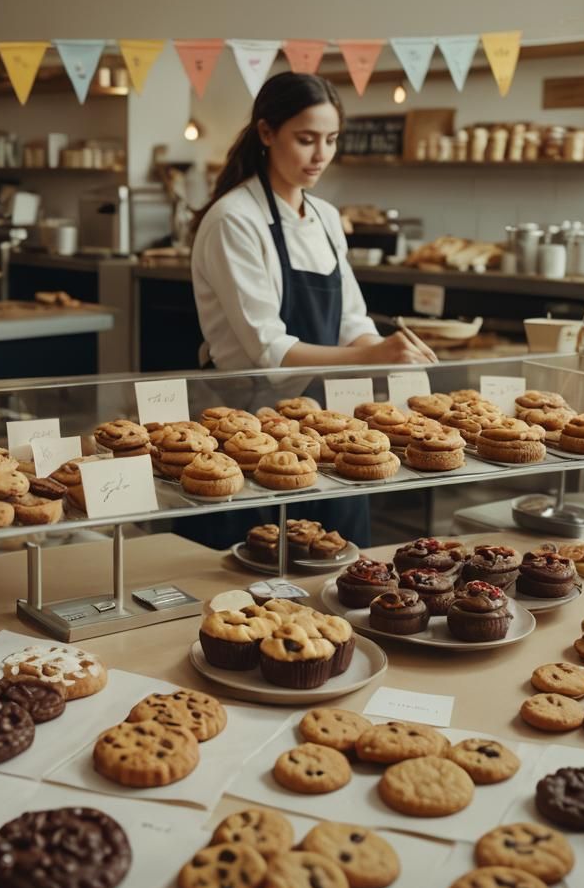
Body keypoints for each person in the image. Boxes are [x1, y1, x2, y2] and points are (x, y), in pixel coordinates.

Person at [179, 72, 437, 552]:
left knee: (342, 564)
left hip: (326, 428)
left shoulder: (324, 217)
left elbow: (352, 320)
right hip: (249, 430)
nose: (321, 155)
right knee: (256, 571)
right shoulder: (234, 220)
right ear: (266, 132)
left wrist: (389, 350)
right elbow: (269, 352)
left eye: (331, 140)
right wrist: (373, 356)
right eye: (306, 139)